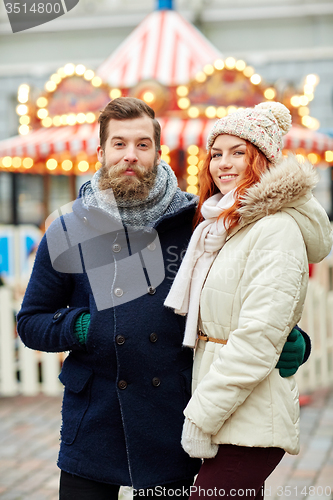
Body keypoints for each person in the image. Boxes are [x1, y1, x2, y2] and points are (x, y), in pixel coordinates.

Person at [17, 98, 310, 500]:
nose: (130, 156)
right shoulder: (70, 227)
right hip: (95, 414)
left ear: (158, 151)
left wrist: (294, 338)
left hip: (169, 414)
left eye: (142, 144)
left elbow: (249, 293)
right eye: (119, 144)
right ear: (101, 152)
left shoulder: (198, 220)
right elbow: (31, 320)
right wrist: (85, 327)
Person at [165, 101, 333, 499]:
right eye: (216, 154)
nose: (223, 163)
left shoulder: (275, 230)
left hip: (250, 413)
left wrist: (202, 415)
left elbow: (257, 339)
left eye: (238, 153)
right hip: (228, 405)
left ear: (262, 161)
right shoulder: (223, 226)